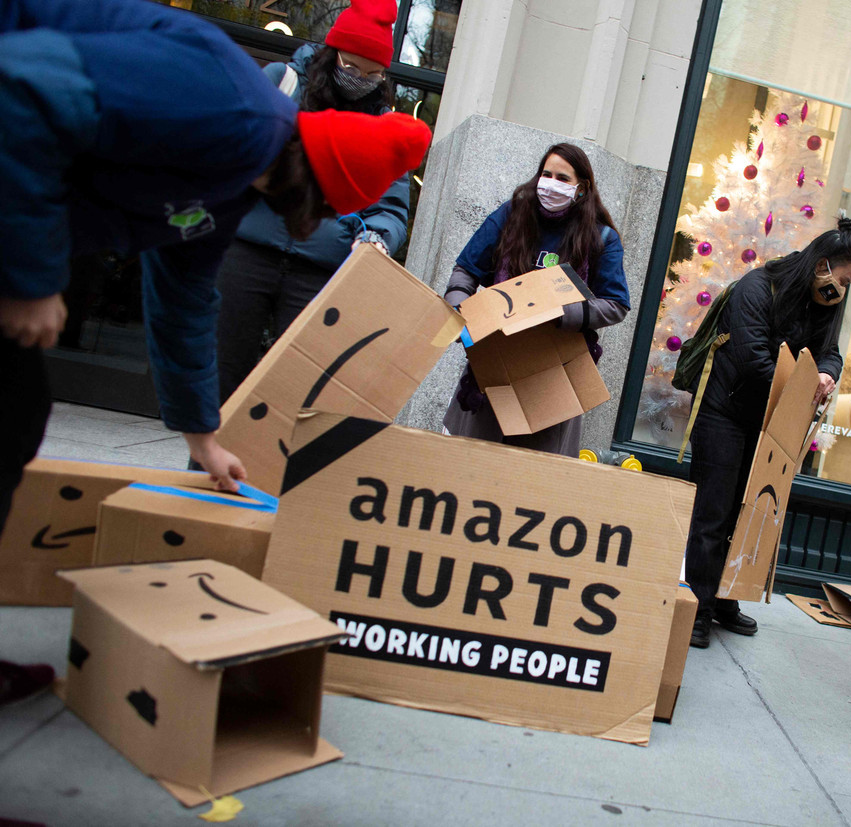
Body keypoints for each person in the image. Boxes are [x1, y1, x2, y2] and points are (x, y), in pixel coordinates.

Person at [0, 0, 429, 702]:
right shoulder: (231, 109)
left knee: (15, 412)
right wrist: (30, 277)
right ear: (311, 175)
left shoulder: (231, 183)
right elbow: (21, 87)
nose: (308, 224)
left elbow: (183, 295)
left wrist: (204, 433)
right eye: (316, 210)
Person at [215, 0, 412, 406]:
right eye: (353, 68)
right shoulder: (282, 83)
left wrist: (377, 238)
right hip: (246, 251)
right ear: (330, 54)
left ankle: (266, 471)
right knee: (221, 378)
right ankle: (204, 467)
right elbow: (230, 150)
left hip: (321, 271)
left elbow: (392, 209)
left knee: (294, 396)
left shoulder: (383, 127)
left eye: (374, 74)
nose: (362, 81)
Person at [686, 218, 851, 648]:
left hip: (769, 420)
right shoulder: (756, 287)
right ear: (822, 265)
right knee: (714, 512)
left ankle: (727, 598)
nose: (842, 290)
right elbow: (752, 359)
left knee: (751, 514)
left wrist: (826, 372)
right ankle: (696, 609)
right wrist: (801, 394)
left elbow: (831, 352)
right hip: (724, 411)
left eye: (849, 284)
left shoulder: (825, 302)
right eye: (842, 279)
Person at [441, 143, 630, 456]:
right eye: (546, 174)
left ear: (581, 189)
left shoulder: (601, 238)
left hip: (553, 373)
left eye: (562, 178)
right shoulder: (509, 216)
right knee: (471, 461)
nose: (551, 183)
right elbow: (464, 272)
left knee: (531, 473)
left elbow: (616, 304)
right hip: (494, 361)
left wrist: (559, 313)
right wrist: (463, 315)